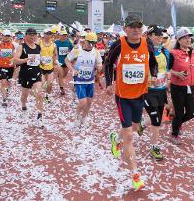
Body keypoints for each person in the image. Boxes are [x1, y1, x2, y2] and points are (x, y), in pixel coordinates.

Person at [104, 15, 157, 191]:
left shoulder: (147, 43)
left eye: (138, 27)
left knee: (134, 128)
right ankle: (135, 175)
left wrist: (154, 76)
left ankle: (115, 138)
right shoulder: (119, 44)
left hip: (139, 95)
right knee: (129, 136)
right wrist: (110, 82)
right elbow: (108, 63)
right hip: (123, 96)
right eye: (131, 27)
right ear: (125, 29)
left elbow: (153, 63)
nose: (135, 30)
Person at [137, 25, 170, 160]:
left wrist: (167, 76)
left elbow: (167, 69)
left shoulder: (165, 52)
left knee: (157, 118)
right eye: (157, 35)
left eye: (161, 35)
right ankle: (154, 147)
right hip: (147, 91)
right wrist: (150, 80)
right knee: (156, 119)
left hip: (161, 90)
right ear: (149, 36)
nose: (160, 37)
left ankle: (142, 125)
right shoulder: (143, 51)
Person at [65, 32, 102, 129]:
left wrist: (99, 67)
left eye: (94, 43)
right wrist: (72, 69)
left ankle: (83, 119)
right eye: (90, 42)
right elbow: (67, 60)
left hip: (90, 81)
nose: (91, 45)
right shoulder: (77, 50)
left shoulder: (96, 52)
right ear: (85, 41)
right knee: (83, 102)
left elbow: (100, 64)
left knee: (89, 103)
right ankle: (76, 117)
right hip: (79, 81)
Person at [169, 27, 194, 144]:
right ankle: (174, 134)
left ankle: (177, 122)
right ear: (179, 40)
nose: (188, 40)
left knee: (192, 112)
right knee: (179, 112)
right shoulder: (173, 53)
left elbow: (193, 66)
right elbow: (165, 69)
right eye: (184, 38)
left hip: (190, 86)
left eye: (189, 38)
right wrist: (176, 73)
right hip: (177, 87)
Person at [13, 28, 44, 127]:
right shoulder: (21, 47)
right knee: (24, 95)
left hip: (36, 73)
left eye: (34, 34)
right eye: (30, 34)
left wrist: (42, 61)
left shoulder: (38, 47)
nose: (33, 36)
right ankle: (23, 106)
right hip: (25, 74)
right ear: (26, 35)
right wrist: (27, 59)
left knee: (39, 94)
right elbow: (15, 61)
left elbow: (39, 59)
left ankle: (39, 117)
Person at [39, 29, 57, 102]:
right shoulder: (39, 43)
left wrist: (55, 61)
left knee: (50, 83)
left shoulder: (53, 44)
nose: (48, 35)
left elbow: (55, 54)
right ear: (44, 34)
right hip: (40, 67)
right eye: (47, 34)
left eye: (50, 34)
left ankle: (47, 96)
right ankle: (40, 93)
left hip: (50, 67)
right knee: (43, 83)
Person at [54, 30, 73, 95]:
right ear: (60, 36)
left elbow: (73, 50)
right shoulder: (56, 42)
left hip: (66, 62)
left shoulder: (68, 42)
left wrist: (69, 53)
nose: (64, 37)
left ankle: (60, 78)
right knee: (61, 75)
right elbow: (53, 51)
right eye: (63, 35)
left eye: (65, 35)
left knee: (64, 75)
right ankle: (62, 88)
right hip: (59, 62)